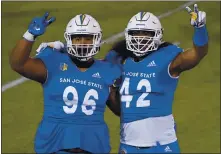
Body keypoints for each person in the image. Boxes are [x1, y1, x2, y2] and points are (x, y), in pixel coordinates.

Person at [35, 3, 208, 153]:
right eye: (136, 33)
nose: (140, 38)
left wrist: (200, 29)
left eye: (146, 34)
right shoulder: (118, 59)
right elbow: (88, 61)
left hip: (162, 143)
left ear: (156, 36)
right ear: (128, 34)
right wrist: (63, 48)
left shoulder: (167, 58)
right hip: (129, 143)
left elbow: (196, 55)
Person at [9, 12, 121, 154]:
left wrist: (119, 89)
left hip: (93, 147)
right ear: (69, 40)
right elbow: (18, 64)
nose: (82, 43)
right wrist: (30, 35)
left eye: (87, 38)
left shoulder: (107, 70)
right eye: (77, 38)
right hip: (55, 147)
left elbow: (120, 110)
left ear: (97, 39)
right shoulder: (53, 62)